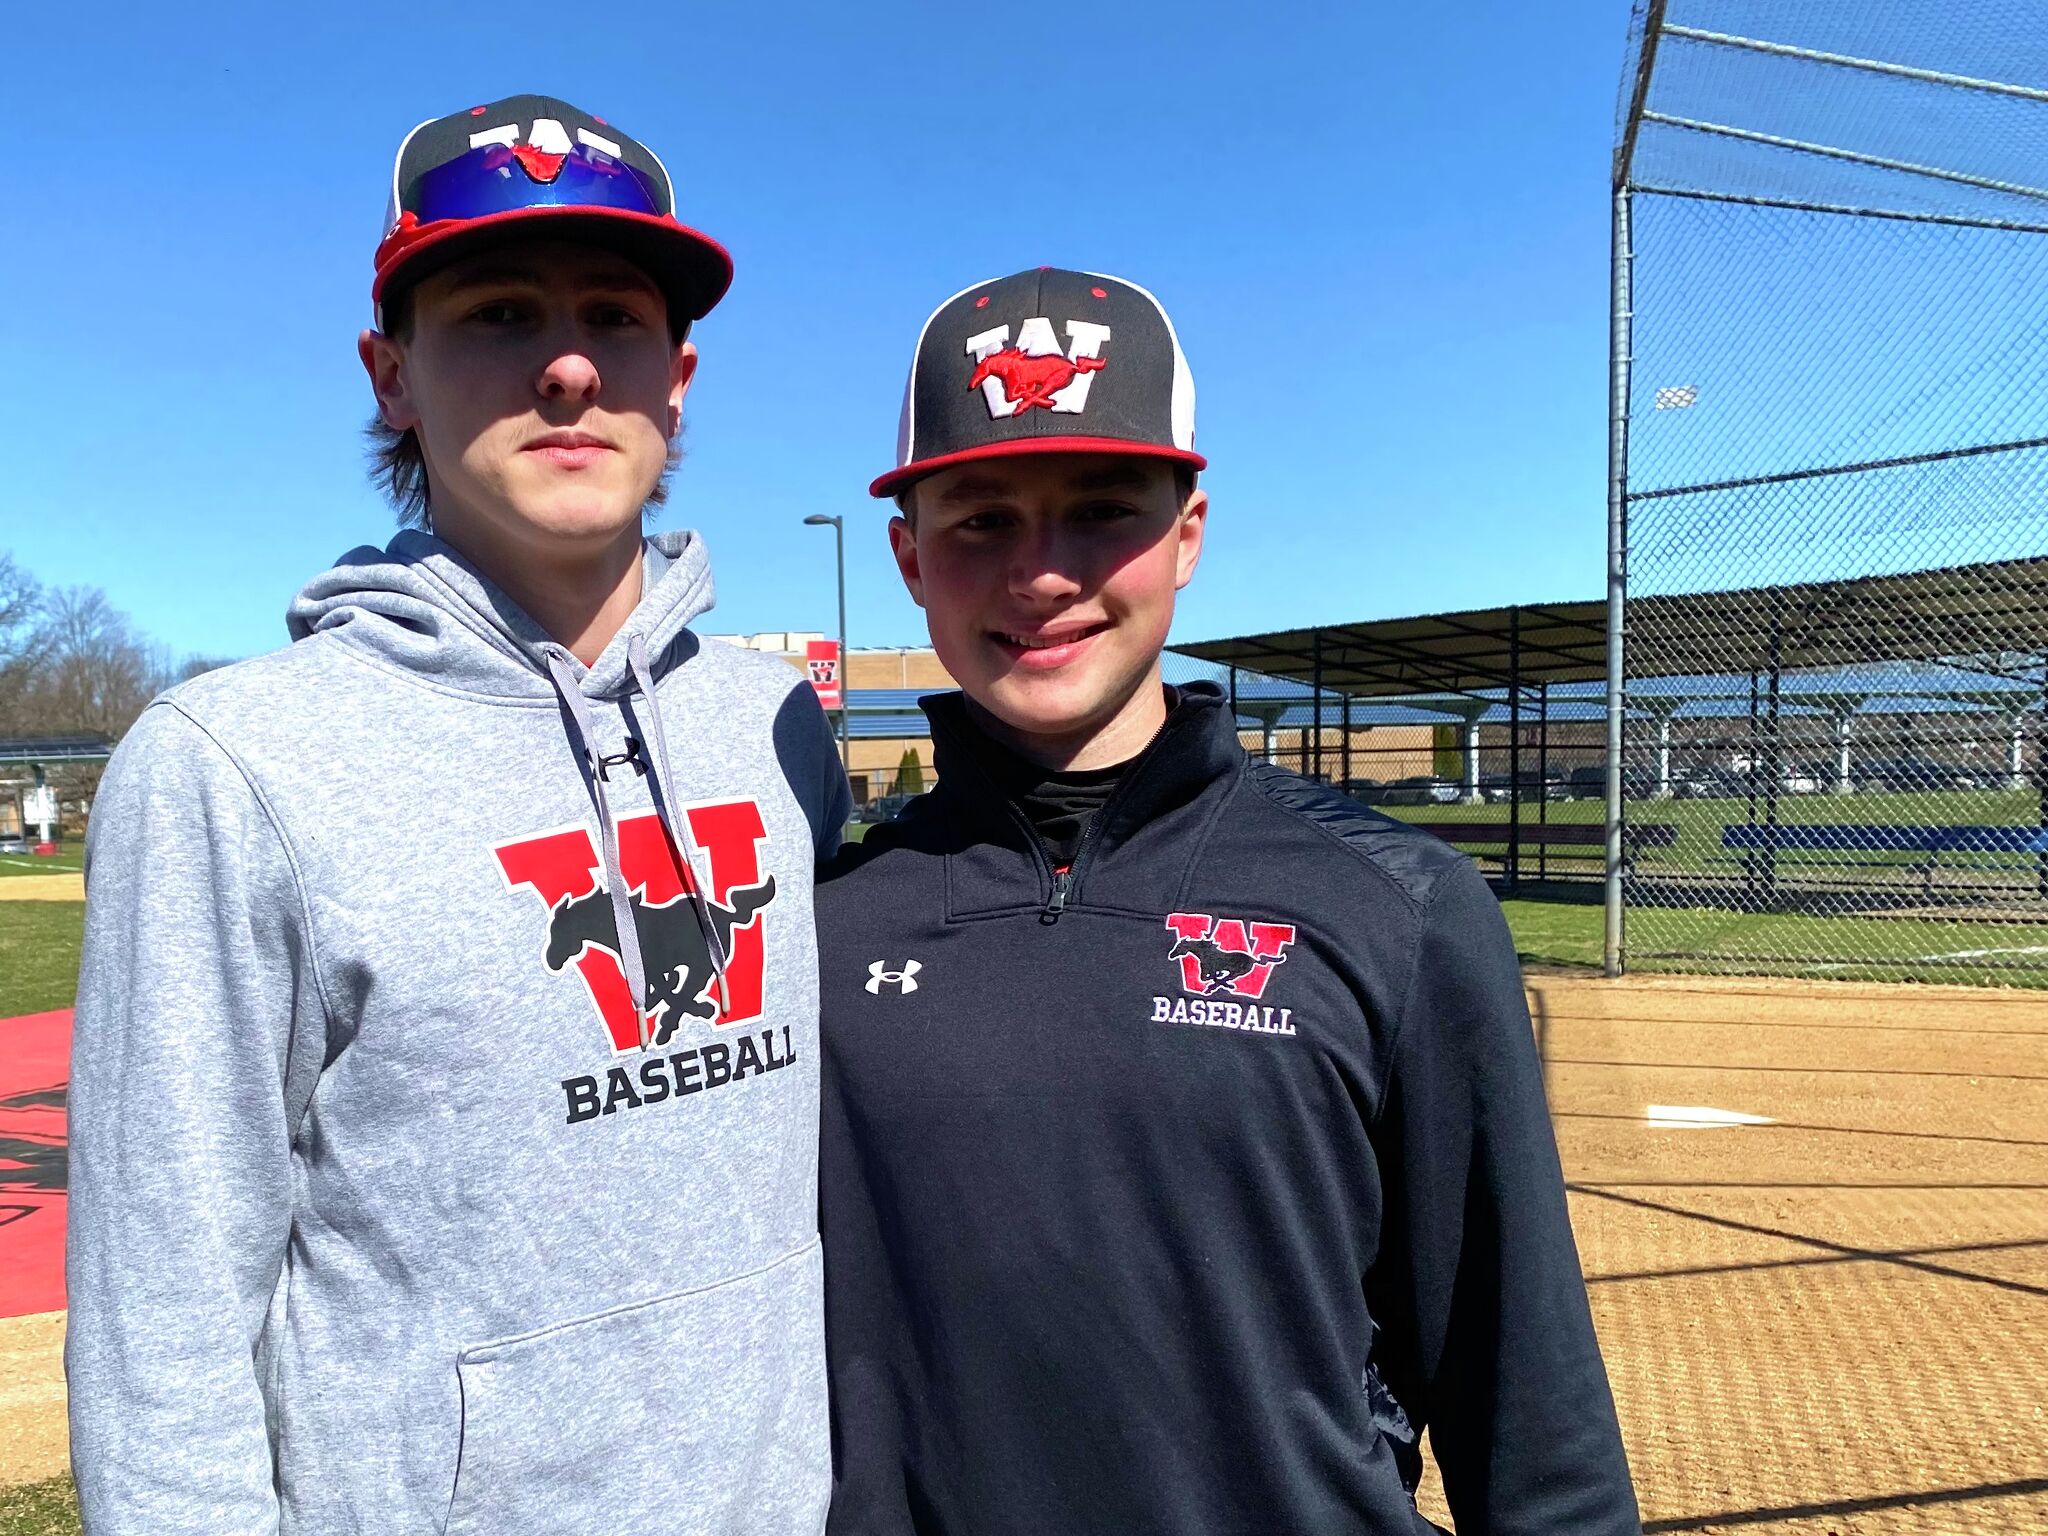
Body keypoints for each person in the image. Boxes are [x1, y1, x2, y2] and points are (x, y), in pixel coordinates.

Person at [67, 95, 848, 1534]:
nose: (565, 367)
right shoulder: (231, 764)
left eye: (613, 317)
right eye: (495, 313)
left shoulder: (779, 730)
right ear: (392, 377)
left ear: (678, 380)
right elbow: (161, 1331)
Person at [817, 267, 1639, 1534]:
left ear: (1188, 533)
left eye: (1101, 511)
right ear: (906, 555)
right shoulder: (817, 922)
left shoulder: (1397, 906)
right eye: (980, 519)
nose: (1042, 574)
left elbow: (1523, 1404)